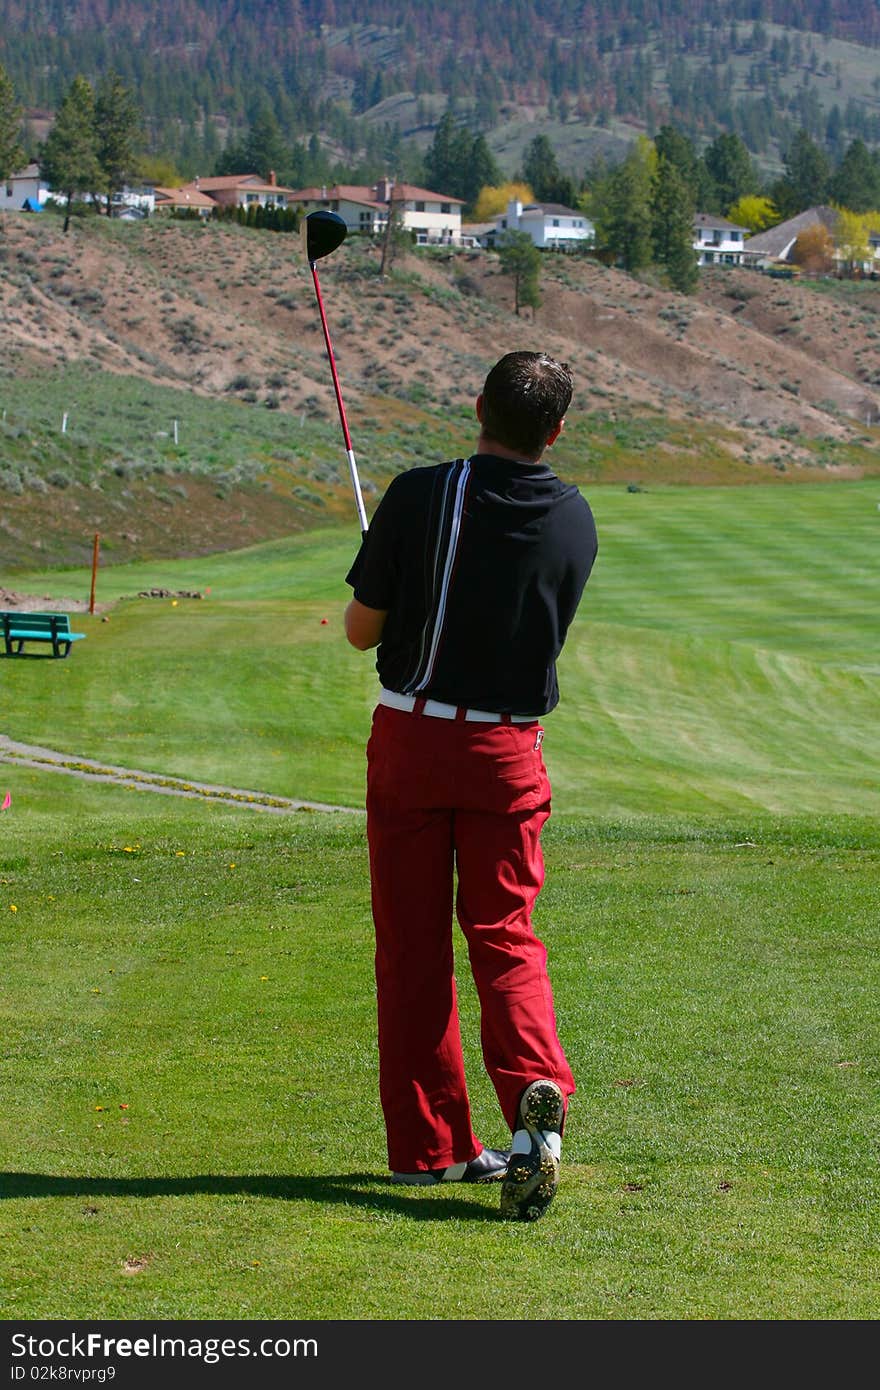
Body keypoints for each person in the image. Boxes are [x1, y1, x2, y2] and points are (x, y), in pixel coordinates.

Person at [344, 350, 598, 1221]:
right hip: (508, 754)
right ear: (557, 431)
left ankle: (430, 1150)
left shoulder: (419, 493)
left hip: (413, 739)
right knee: (505, 934)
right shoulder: (575, 519)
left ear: (475, 405)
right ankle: (538, 1102)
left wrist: (383, 566)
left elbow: (358, 631)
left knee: (413, 945)